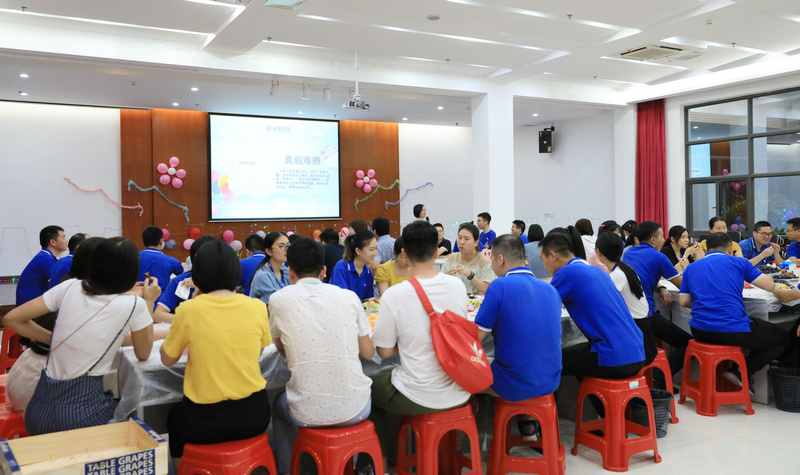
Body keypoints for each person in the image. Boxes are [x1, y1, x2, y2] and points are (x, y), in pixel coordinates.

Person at [4, 237, 157, 435]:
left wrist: (55, 339)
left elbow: (11, 318)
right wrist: (149, 300)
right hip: (81, 415)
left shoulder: (69, 286)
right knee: (138, 422)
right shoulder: (134, 304)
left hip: (37, 413)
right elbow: (143, 353)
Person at [161, 238, 271, 469]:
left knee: (174, 418)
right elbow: (258, 352)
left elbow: (167, 359)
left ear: (197, 274)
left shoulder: (189, 309)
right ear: (235, 272)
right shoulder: (257, 307)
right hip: (255, 414)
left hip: (204, 421)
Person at [367, 220, 471, 463]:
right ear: (436, 253)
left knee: (366, 388)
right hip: (459, 388)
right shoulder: (456, 285)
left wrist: (408, 342)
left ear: (404, 254)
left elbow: (384, 352)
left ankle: (380, 463)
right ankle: (446, 455)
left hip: (417, 393)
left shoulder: (394, 295)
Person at [269, 238, 374, 474]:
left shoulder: (279, 299)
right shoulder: (349, 297)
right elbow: (368, 353)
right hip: (356, 408)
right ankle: (353, 465)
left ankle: (290, 469)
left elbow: (279, 345)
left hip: (306, 411)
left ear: (290, 271)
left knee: (278, 405)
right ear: (324, 271)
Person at [680, 232, 797, 388]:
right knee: (782, 337)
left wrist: (707, 305)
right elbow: (769, 285)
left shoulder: (691, 268)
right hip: (730, 330)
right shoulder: (739, 262)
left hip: (699, 330)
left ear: (706, 250)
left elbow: (683, 301)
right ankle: (742, 370)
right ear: (730, 249)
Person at [475, 234, 561, 441]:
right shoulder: (550, 289)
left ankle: (467, 442)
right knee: (524, 359)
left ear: (500, 259)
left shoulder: (499, 286)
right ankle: (527, 427)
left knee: (464, 374)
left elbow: (475, 338)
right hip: (551, 380)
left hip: (512, 383)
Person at [6, 236, 103, 417]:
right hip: (38, 391)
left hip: (23, 375)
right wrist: (56, 340)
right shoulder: (83, 293)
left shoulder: (68, 280)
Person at [541, 232, 644, 383]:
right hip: (638, 353)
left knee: (549, 359)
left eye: (542, 260)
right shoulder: (597, 271)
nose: (544, 266)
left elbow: (542, 309)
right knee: (576, 353)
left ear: (552, 255)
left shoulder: (565, 273)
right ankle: (595, 397)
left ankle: (554, 400)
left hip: (614, 358)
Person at [622, 221, 691, 376]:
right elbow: (683, 285)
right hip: (646, 315)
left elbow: (641, 277)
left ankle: (657, 377)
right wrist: (687, 267)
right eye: (661, 236)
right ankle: (659, 377)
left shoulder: (628, 253)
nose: (663, 239)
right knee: (688, 344)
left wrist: (660, 287)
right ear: (653, 240)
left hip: (627, 314)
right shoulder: (659, 257)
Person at [595, 233, 657, 368]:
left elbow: (602, 304)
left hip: (636, 338)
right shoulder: (627, 269)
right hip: (643, 331)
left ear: (598, 253)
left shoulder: (616, 275)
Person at [153, 236, 216, 324]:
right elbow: (158, 315)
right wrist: (189, 320)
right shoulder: (180, 281)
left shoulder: (224, 282)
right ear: (197, 258)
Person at [15, 225, 67, 307]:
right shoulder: (45, 258)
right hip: (30, 308)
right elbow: (58, 286)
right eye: (63, 237)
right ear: (53, 242)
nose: (66, 241)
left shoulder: (46, 257)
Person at [441, 223, 496, 294]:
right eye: (459, 238)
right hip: (453, 298)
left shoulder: (485, 262)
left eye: (467, 239)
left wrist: (470, 275)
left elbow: (487, 289)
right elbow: (440, 284)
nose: (461, 242)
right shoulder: (451, 258)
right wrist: (446, 278)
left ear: (476, 242)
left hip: (476, 300)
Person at [330, 230, 378, 300]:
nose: (375, 253)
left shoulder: (368, 273)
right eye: (371, 250)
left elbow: (368, 300)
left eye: (376, 249)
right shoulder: (342, 267)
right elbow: (341, 297)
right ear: (358, 251)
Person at [251, 232, 291, 305]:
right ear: (269, 251)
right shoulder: (263, 275)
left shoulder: (284, 270)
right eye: (281, 246)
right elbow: (274, 304)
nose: (286, 249)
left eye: (288, 245)